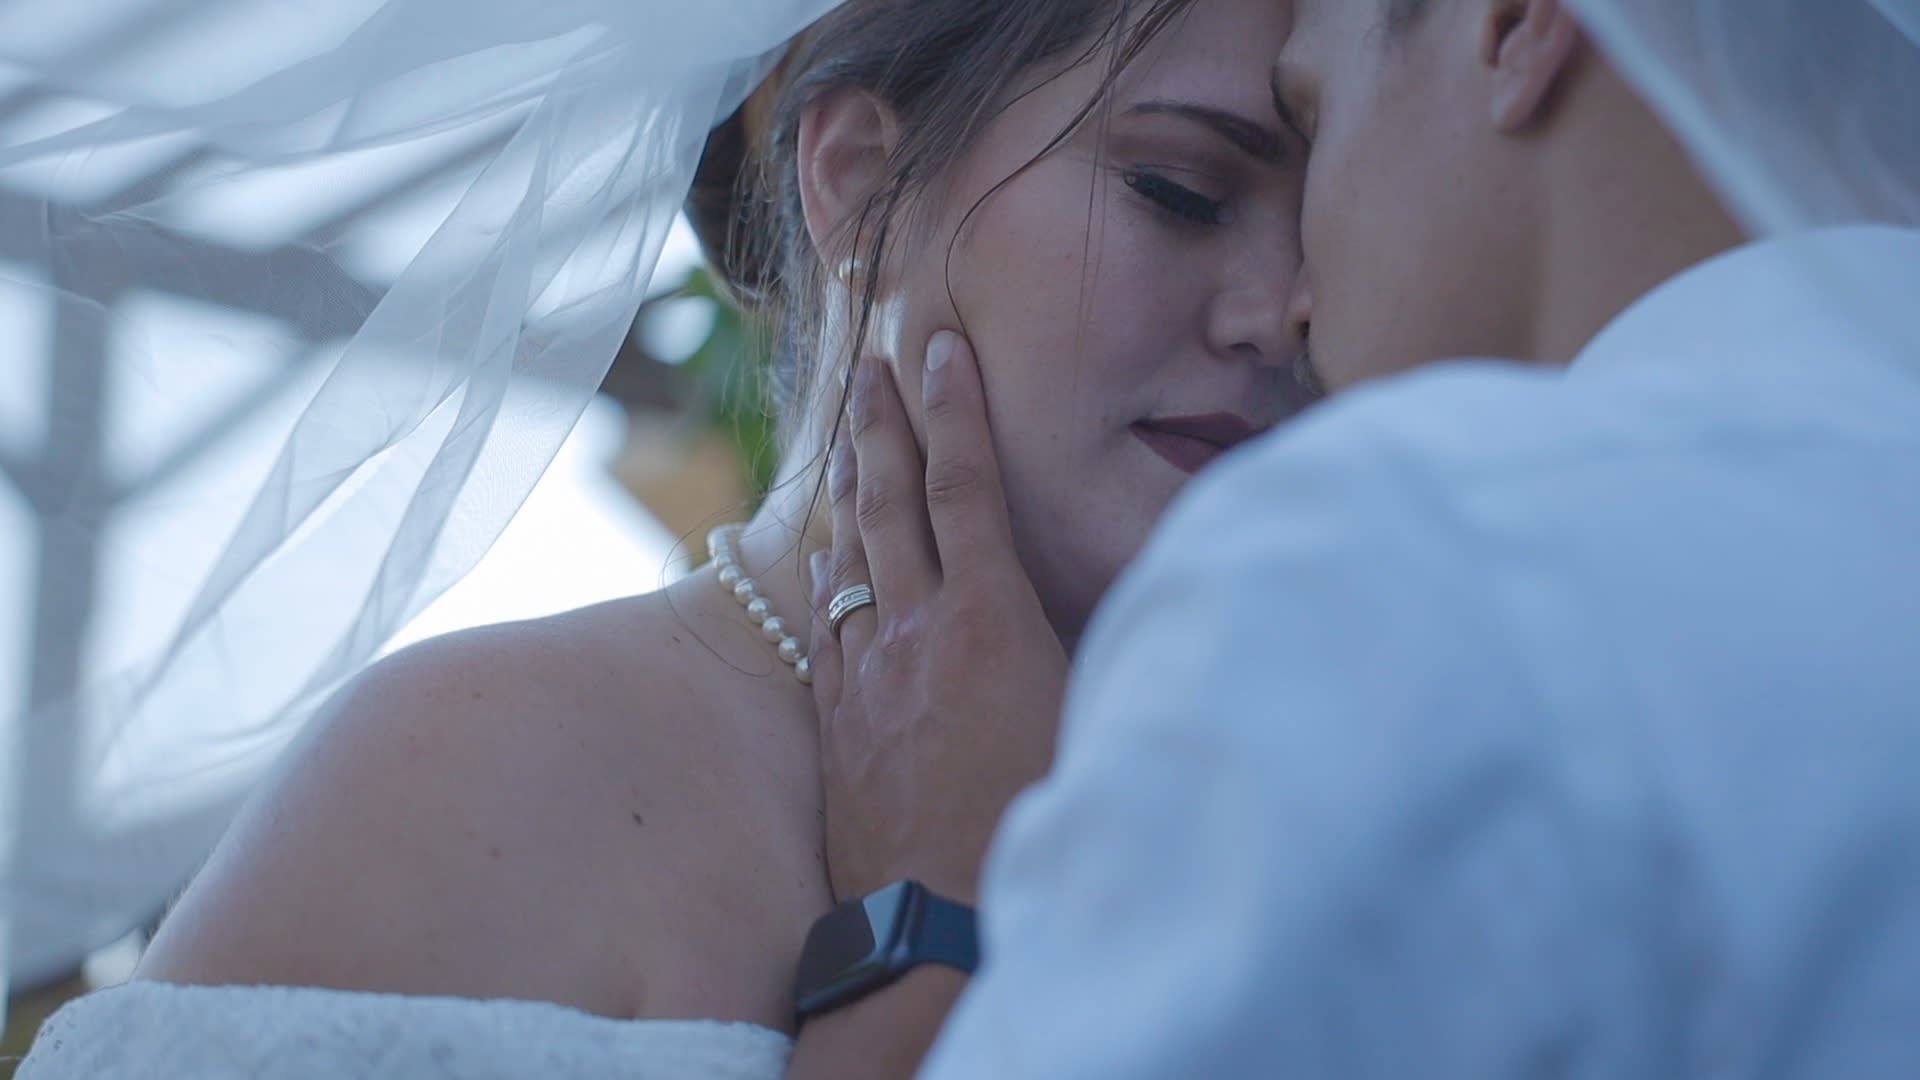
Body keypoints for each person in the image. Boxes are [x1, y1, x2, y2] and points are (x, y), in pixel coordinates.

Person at [18, 0, 1312, 1073]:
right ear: (858, 183)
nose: (1283, 314)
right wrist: (937, 927)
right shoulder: (487, 770)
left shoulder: (1317, 823)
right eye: (1181, 190)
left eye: (1334, 232)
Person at [796, 0, 1920, 1074]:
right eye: (1184, 191)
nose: (1290, 309)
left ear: (1514, 23)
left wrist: (932, 909)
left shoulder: (1404, 554)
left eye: (1319, 115)